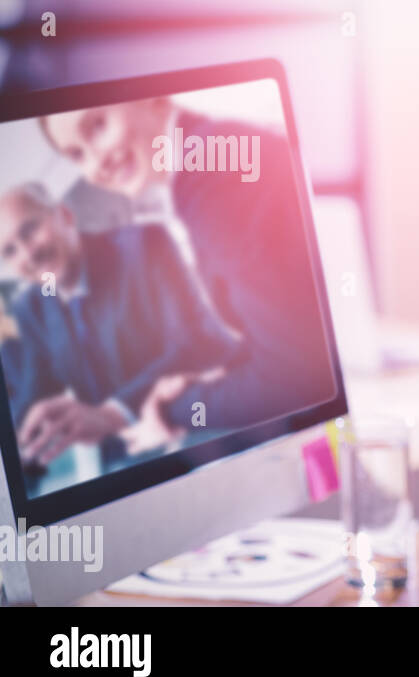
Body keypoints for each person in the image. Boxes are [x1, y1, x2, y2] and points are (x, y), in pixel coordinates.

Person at [39, 96, 336, 434]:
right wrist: (221, 374)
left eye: (97, 125)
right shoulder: (210, 157)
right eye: (77, 154)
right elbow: (290, 330)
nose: (95, 165)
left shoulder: (214, 183)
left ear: (152, 99)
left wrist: (174, 412)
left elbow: (295, 377)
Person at [0, 183, 242, 473]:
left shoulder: (142, 244)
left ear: (65, 215)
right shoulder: (35, 305)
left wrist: (111, 413)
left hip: (208, 425)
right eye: (9, 251)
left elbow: (196, 341)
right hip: (135, 455)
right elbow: (35, 390)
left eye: (30, 231)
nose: (28, 255)